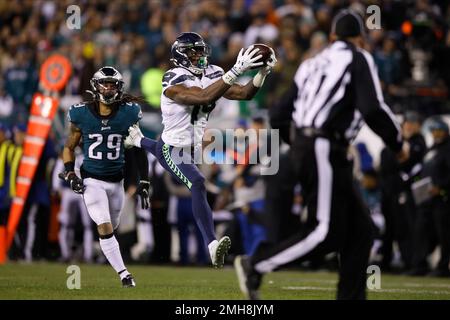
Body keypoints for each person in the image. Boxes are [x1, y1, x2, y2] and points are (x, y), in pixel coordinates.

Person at [234, 9, 408, 300]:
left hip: (313, 146)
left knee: (361, 230)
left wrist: (300, 143)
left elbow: (277, 114)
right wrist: (397, 142)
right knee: (324, 231)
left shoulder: (311, 63)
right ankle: (257, 263)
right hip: (325, 145)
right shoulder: (357, 57)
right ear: (358, 38)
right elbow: (373, 108)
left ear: (331, 36)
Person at [124, 32, 277, 268]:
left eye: (200, 50)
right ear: (180, 55)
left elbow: (245, 94)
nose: (199, 55)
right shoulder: (172, 77)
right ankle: (212, 245)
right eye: (193, 51)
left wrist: (262, 73)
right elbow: (203, 96)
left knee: (194, 178)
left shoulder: (214, 73)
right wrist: (235, 70)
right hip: (173, 147)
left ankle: (138, 140)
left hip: (193, 147)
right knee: (197, 182)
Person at [61, 66, 151, 287]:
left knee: (112, 226)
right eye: (105, 84)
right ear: (96, 86)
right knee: (104, 226)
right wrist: (71, 171)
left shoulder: (129, 113)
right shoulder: (80, 113)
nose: (109, 88)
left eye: (113, 84)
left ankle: (102, 250)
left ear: (119, 88)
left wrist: (144, 180)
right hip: (91, 181)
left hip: (116, 182)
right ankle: (125, 275)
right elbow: (69, 147)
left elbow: (138, 148)